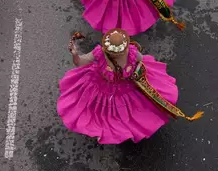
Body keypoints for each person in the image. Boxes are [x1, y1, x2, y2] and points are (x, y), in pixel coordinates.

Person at [58, 29, 201, 144]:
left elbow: (80, 62)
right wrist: (76, 55)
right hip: (109, 88)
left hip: (118, 88)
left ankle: (116, 132)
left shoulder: (124, 53)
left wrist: (76, 55)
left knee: (110, 115)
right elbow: (141, 60)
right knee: (122, 115)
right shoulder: (122, 53)